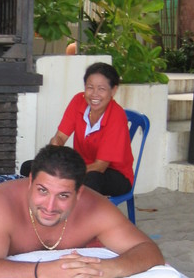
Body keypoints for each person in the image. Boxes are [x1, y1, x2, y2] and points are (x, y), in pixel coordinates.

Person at [0, 145, 164, 278]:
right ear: (30, 183)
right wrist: (41, 272)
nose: (50, 207)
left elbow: (150, 251)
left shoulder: (95, 208)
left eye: (63, 196)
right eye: (42, 191)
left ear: (79, 194)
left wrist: (112, 267)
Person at [20, 61, 133, 197]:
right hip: (82, 166)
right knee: (29, 167)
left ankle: (77, 217)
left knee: (91, 180)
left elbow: (100, 166)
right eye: (90, 87)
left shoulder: (117, 116)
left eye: (101, 89)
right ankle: (39, 210)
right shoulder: (78, 101)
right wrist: (55, 145)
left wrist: (66, 172)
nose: (94, 94)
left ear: (113, 90)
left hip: (114, 174)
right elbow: (60, 137)